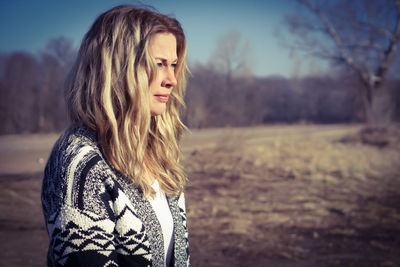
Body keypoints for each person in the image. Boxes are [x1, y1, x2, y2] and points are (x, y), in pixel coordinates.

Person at [41, 5, 190, 267]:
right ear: (118, 67)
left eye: (174, 65)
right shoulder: (80, 164)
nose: (172, 79)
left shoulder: (158, 152)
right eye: (159, 64)